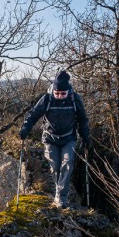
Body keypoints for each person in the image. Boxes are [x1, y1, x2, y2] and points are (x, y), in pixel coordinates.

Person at [19, 71, 90, 208]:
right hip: (50, 139)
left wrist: (85, 137)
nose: (59, 96)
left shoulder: (74, 99)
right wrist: (25, 129)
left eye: (62, 94)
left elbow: (83, 120)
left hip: (69, 138)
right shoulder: (47, 99)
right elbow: (34, 115)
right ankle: (59, 193)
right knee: (56, 167)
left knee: (67, 163)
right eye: (57, 93)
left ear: (68, 91)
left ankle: (61, 197)